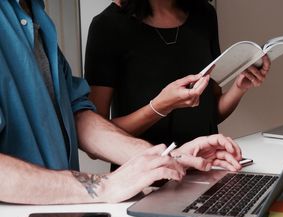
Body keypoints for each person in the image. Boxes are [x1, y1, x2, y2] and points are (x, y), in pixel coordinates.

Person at [0, 0, 243, 205]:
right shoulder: (107, 24)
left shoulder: (36, 15)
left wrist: (169, 158)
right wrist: (104, 186)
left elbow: (78, 116)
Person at [85, 0, 271, 150]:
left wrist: (239, 88)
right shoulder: (107, 26)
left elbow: (210, 115)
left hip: (208, 168)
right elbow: (95, 137)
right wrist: (158, 107)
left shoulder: (204, 14)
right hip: (146, 180)